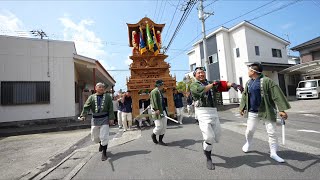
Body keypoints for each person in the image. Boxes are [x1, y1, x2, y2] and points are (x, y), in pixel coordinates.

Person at [190, 67, 243, 170]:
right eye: (199, 73)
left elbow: (222, 84)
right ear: (195, 75)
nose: (201, 74)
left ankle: (205, 144)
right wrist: (213, 84)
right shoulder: (194, 85)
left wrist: (233, 85)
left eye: (202, 72)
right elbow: (202, 90)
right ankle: (208, 158)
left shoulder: (210, 83)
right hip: (202, 111)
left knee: (216, 136)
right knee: (209, 137)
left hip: (213, 111)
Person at [239, 62, 291, 163]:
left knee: (272, 132)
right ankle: (248, 143)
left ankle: (273, 153)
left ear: (253, 71)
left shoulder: (267, 81)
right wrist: (242, 107)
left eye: (249, 70)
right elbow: (245, 95)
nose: (248, 72)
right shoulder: (249, 82)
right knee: (249, 130)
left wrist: (281, 110)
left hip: (267, 110)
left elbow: (277, 95)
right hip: (253, 111)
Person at [79, 82, 115, 161]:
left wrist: (111, 118)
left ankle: (104, 153)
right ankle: (100, 144)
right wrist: (83, 115)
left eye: (102, 87)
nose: (101, 88)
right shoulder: (91, 97)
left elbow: (110, 108)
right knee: (95, 137)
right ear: (96, 88)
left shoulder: (108, 97)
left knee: (104, 136)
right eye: (99, 87)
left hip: (105, 118)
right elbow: (86, 107)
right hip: (95, 119)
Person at [150, 79, 168, 146]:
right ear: (159, 85)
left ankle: (161, 140)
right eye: (162, 84)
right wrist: (156, 109)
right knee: (159, 126)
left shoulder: (160, 91)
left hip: (163, 111)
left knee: (164, 126)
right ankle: (153, 135)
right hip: (157, 111)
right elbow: (154, 101)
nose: (163, 85)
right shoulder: (154, 91)